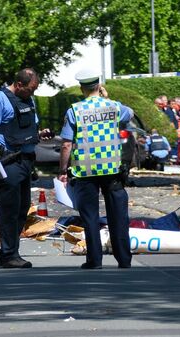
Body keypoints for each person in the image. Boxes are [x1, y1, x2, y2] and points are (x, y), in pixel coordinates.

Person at [58, 68, 133, 270]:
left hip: (85, 171)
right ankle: (124, 260)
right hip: (113, 170)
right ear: (99, 86)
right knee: (118, 216)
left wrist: (63, 169)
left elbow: (66, 144)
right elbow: (129, 114)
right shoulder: (115, 107)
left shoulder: (74, 110)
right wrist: (108, 98)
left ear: (82, 88)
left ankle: (95, 260)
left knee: (90, 217)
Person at [0, 67, 52, 269]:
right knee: (9, 209)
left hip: (25, 161)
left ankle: (10, 251)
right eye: (30, 89)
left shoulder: (28, 100)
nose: (33, 93)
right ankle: (9, 254)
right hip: (7, 162)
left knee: (22, 209)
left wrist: (41, 133)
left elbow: (27, 128)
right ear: (19, 85)